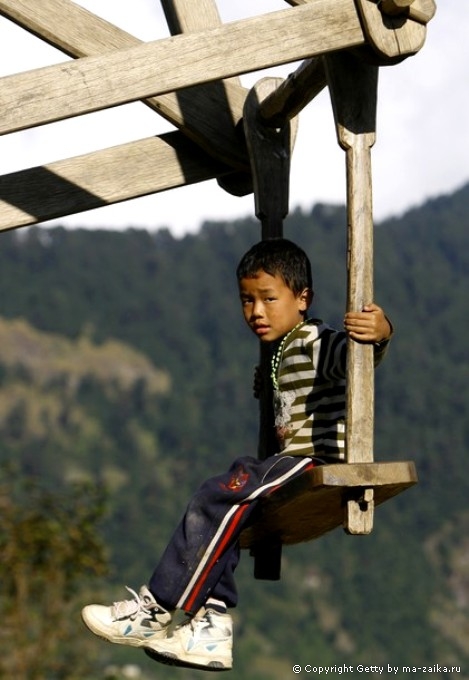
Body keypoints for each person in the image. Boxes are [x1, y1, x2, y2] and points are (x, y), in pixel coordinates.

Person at [81, 238, 393, 671]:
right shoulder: (279, 351)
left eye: (269, 298)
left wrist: (380, 333)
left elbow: (352, 354)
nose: (256, 312)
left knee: (222, 495)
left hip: (316, 459)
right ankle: (211, 624)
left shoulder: (311, 339)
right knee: (228, 499)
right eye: (247, 300)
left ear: (303, 299)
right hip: (289, 463)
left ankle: (157, 609)